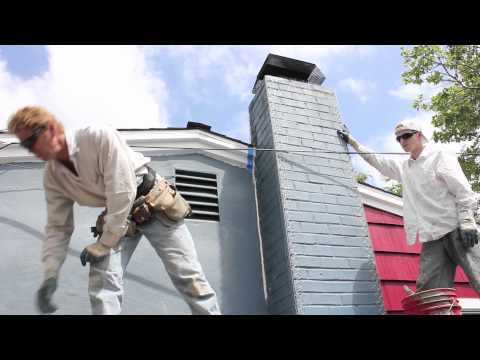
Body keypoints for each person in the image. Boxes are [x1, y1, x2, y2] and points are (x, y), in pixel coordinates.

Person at [8, 106, 221, 315]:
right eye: (26, 145)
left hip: (152, 200)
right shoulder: (54, 177)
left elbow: (124, 188)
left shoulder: (97, 136)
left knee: (189, 276)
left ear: (51, 127)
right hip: (117, 216)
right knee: (102, 281)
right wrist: (50, 275)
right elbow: (58, 227)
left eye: (31, 140)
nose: (31, 149)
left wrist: (104, 243)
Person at [338, 121, 480, 294]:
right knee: (429, 293)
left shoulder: (439, 156)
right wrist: (353, 143)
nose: (402, 141)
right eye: (398, 139)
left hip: (458, 229)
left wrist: (467, 220)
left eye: (406, 135)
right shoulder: (406, 168)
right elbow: (379, 161)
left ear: (419, 135)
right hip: (433, 237)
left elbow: (463, 190)